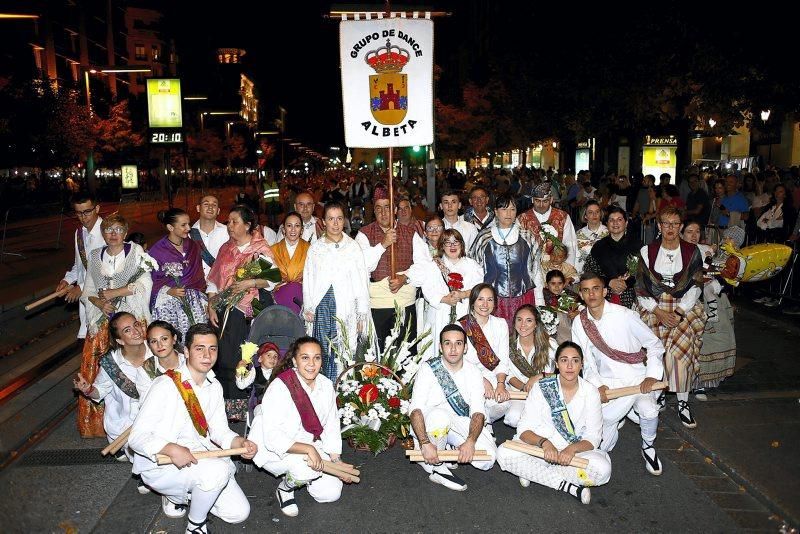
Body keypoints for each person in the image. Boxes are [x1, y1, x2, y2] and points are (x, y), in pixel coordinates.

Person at [128, 323, 257, 534]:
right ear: (186, 351)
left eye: (212, 348)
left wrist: (240, 443)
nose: (207, 355)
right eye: (199, 348)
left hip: (198, 457)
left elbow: (219, 431)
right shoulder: (165, 385)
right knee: (219, 471)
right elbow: (136, 438)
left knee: (238, 513)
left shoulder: (214, 387)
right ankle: (195, 524)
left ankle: (188, 494)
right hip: (162, 463)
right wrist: (170, 448)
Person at [572, 272, 666, 476]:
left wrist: (652, 375)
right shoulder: (579, 323)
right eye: (586, 290)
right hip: (609, 383)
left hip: (638, 378)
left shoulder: (625, 315)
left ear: (605, 291)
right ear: (580, 295)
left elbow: (654, 345)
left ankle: (648, 446)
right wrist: (597, 385)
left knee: (649, 410)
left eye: (596, 288)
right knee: (601, 438)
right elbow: (584, 360)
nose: (592, 294)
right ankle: (623, 415)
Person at [497, 342, 611, 503]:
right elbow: (523, 429)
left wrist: (571, 449)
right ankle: (567, 486)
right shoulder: (542, 387)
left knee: (603, 470)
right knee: (503, 453)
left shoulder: (591, 392)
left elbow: (594, 436)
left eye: (575, 360)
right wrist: (544, 443)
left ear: (581, 364)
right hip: (540, 449)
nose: (570, 366)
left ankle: (533, 472)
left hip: (572, 452)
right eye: (564, 360)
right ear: (557, 364)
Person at [249, 336, 351, 517]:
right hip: (277, 446)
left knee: (330, 493)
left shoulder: (326, 385)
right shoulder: (280, 386)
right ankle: (285, 489)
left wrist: (336, 461)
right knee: (305, 469)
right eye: (305, 357)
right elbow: (273, 437)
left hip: (310, 443)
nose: (311, 363)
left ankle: (305, 475)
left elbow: (332, 425)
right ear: (295, 360)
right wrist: (308, 449)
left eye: (317, 358)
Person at [79, 213, 153, 438]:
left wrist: (115, 293)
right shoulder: (95, 255)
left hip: (130, 318)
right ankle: (98, 424)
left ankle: (143, 417)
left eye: (118, 230)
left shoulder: (136, 252)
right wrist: (100, 303)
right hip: (103, 319)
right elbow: (88, 290)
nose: (113, 234)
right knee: (99, 367)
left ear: (125, 232)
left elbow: (144, 283)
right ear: (103, 233)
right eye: (109, 230)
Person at [637, 207, 706, 428]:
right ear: (659, 226)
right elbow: (641, 288)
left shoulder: (693, 251)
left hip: (683, 306)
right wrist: (658, 312)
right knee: (655, 347)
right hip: (654, 305)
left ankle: (683, 402)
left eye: (675, 224)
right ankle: (657, 394)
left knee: (680, 346)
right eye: (666, 223)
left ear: (681, 226)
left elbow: (695, 287)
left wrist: (677, 312)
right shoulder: (647, 251)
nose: (670, 228)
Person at [409, 324, 497, 492]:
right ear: (441, 347)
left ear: (465, 348)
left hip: (457, 421)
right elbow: (415, 410)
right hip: (429, 424)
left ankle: (445, 447)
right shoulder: (428, 369)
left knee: (487, 460)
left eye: (458, 343)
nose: (453, 349)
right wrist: (425, 442)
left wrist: (470, 442)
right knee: (439, 417)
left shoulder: (473, 372)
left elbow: (478, 412)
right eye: (447, 343)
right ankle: (436, 462)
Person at [206, 205, 275, 421]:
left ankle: (246, 405)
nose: (230, 226)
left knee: (244, 355)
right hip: (223, 309)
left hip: (249, 309)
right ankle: (224, 407)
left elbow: (272, 280)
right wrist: (210, 305)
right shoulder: (226, 249)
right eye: (228, 222)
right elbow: (214, 281)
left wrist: (250, 281)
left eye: (235, 222)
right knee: (223, 356)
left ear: (247, 225)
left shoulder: (259, 249)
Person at [302, 202, 370, 382]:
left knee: (344, 350)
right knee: (323, 349)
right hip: (323, 307)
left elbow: (361, 282)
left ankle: (342, 391)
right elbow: (309, 278)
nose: (335, 223)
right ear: (323, 221)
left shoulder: (352, 247)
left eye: (339, 218)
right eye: (330, 219)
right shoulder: (316, 248)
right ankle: (323, 388)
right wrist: (309, 306)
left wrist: (361, 314)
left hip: (347, 308)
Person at [73, 312, 152, 463]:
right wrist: (87, 389)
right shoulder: (112, 364)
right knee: (144, 452)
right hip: (126, 425)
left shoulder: (157, 350)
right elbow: (99, 391)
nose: (136, 331)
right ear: (120, 340)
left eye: (136, 325)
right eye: (127, 330)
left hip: (156, 417)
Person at [356, 185, 420, 352]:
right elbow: (362, 266)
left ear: (395, 210)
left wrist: (404, 278)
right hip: (377, 306)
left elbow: (425, 266)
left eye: (387, 208)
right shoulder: (364, 234)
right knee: (380, 354)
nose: (384, 213)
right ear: (373, 211)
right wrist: (383, 244)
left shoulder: (411, 233)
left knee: (406, 354)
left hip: (405, 303)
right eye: (379, 209)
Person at [407, 229, 484, 361]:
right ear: (442, 246)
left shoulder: (472, 265)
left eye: (456, 242)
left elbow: (479, 288)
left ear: (462, 244)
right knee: (437, 352)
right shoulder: (433, 266)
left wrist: (463, 294)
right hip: (439, 313)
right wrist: (444, 299)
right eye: (447, 243)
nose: (452, 246)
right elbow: (428, 290)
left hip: (464, 315)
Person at [470, 193, 543, 328]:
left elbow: (536, 271)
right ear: (496, 212)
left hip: (523, 295)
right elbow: (475, 271)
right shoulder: (484, 237)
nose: (508, 213)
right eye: (504, 209)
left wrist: (540, 301)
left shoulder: (527, 236)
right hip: (493, 299)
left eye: (512, 209)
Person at [681, 222, 736, 398]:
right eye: (689, 231)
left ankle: (700, 383)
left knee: (709, 341)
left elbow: (722, 270)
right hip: (685, 300)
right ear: (681, 233)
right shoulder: (676, 250)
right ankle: (683, 382)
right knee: (688, 343)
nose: (694, 235)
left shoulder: (706, 249)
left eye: (697, 231)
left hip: (707, 297)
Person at [150, 208, 208, 339]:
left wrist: (204, 300)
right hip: (168, 303)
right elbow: (152, 281)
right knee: (173, 339)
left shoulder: (193, 245)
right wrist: (168, 291)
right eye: (183, 225)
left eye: (188, 223)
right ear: (170, 227)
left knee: (198, 337)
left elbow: (198, 275)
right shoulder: (157, 251)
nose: (188, 228)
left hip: (195, 301)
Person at [460, 284, 511, 423]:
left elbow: (503, 358)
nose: (485, 304)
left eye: (490, 300)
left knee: (502, 403)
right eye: (480, 299)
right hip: (467, 375)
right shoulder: (461, 325)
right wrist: (481, 380)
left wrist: (501, 384)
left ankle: (483, 423)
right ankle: (483, 429)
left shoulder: (500, 324)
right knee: (474, 400)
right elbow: (459, 362)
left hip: (493, 375)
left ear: (495, 303)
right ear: (472, 302)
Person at [57, 192, 104, 340]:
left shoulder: (109, 233)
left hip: (105, 300)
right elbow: (80, 266)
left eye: (87, 212)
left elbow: (109, 270)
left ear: (97, 209)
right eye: (79, 213)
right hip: (87, 302)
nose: (83, 217)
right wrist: (67, 280)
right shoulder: (79, 233)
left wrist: (82, 287)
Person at [503, 304, 557, 427]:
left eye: (529, 320)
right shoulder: (507, 346)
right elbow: (508, 375)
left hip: (545, 392)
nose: (523, 325)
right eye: (519, 319)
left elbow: (563, 373)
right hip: (520, 393)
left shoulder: (550, 345)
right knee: (513, 418)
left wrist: (539, 376)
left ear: (536, 324)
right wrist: (524, 387)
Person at [583, 206, 642, 309]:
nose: (615, 223)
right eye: (611, 220)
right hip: (604, 293)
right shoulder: (599, 246)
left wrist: (626, 283)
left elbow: (643, 272)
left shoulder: (637, 245)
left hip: (631, 293)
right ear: (607, 224)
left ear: (626, 223)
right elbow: (589, 271)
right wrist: (609, 282)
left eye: (619, 219)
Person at [518, 182, 579, 268]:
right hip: (531, 269)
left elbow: (570, 245)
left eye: (545, 201)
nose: (541, 205)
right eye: (537, 201)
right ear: (532, 200)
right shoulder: (522, 219)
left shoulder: (562, 217)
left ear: (551, 200)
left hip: (557, 270)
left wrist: (567, 270)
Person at [271, 211, 310, 314]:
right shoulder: (272, 250)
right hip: (278, 296)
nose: (293, 229)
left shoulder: (310, 249)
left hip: (302, 297)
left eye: (297, 226)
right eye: (289, 226)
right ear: (283, 229)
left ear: (302, 230)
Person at [190, 195, 228, 278]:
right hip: (196, 285)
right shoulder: (188, 234)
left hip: (220, 284)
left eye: (214, 205)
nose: (210, 207)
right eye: (206, 204)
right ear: (198, 208)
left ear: (218, 211)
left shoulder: (228, 232)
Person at [575, 200, 608, 274]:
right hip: (583, 275)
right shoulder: (578, 234)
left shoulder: (609, 233)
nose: (594, 215)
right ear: (585, 216)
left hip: (605, 275)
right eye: (590, 212)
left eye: (597, 212)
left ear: (600, 214)